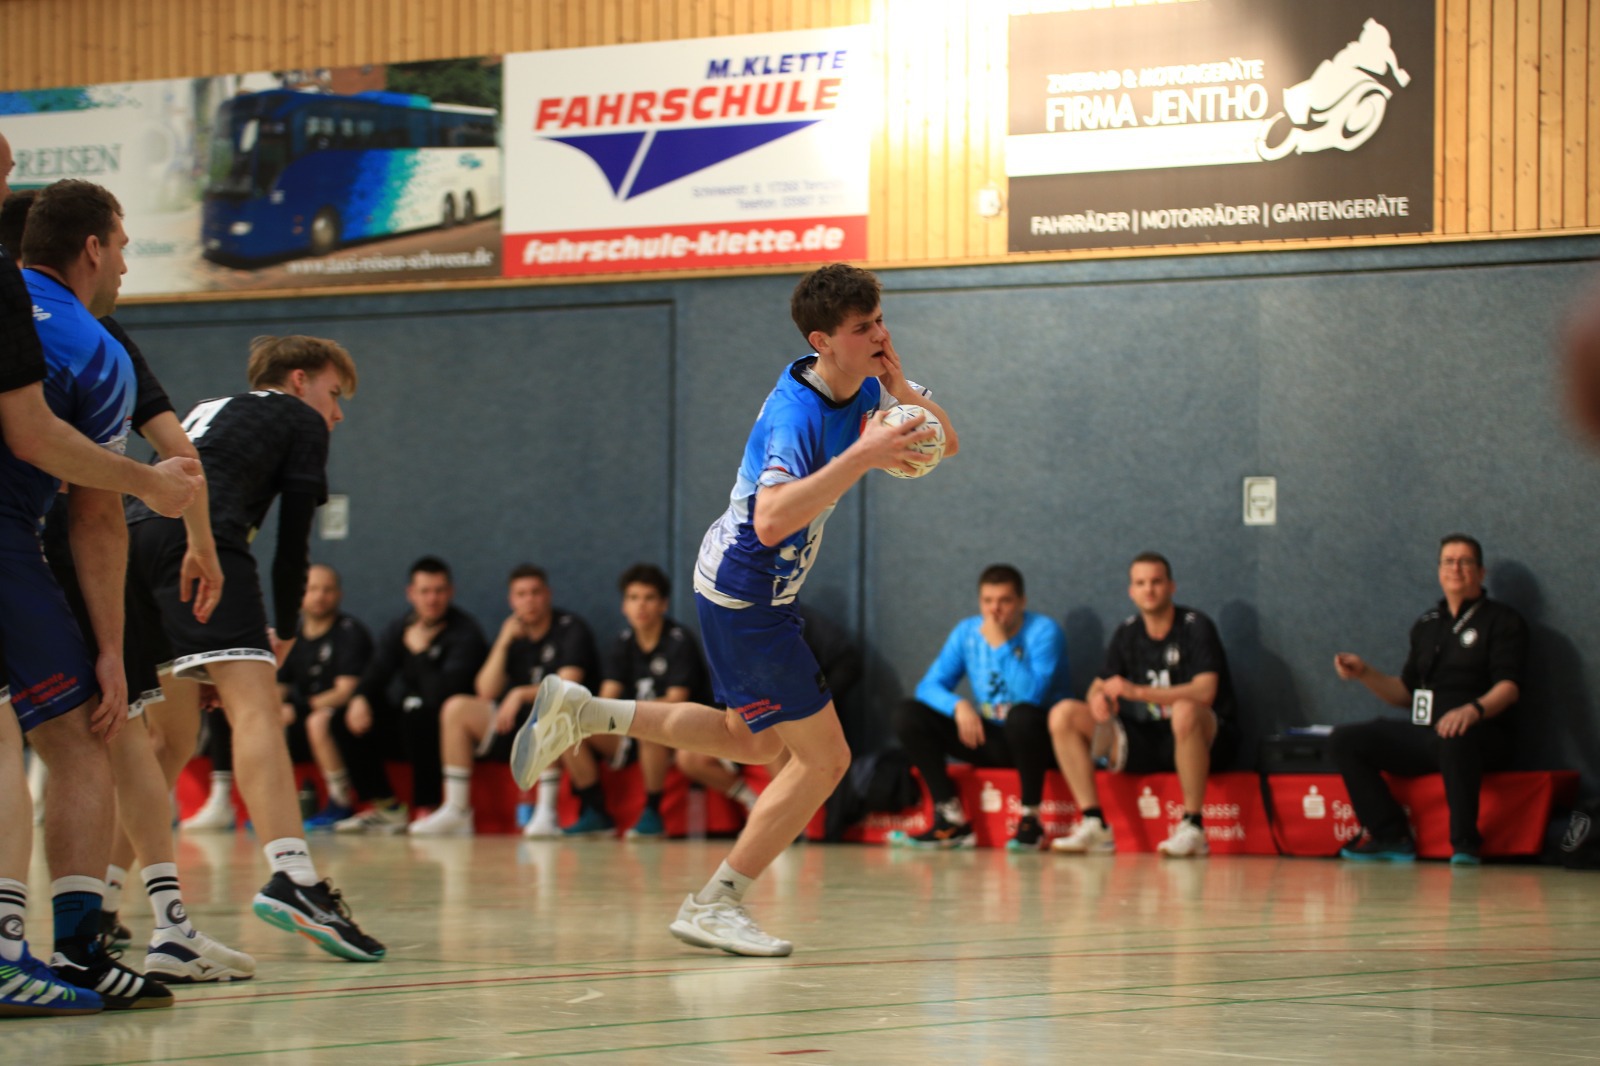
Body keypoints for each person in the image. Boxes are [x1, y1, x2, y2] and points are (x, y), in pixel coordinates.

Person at [510, 262, 957, 956]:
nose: (880, 335)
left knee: (752, 741)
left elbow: (946, 443)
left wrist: (900, 392)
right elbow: (772, 520)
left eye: (879, 320)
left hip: (745, 585)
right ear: (822, 340)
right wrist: (865, 455)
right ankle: (716, 903)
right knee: (825, 761)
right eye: (862, 328)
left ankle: (586, 713)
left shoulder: (870, 382)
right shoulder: (796, 413)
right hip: (747, 587)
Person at [124, 333, 385, 962]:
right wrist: (285, 634)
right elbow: (293, 544)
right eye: (334, 394)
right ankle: (295, 879)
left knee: (166, 742)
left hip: (131, 542)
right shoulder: (298, 418)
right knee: (257, 709)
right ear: (299, 380)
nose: (337, 413)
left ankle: (104, 906)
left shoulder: (211, 408)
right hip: (200, 542)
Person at [0, 178, 174, 1010]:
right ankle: (68, 949)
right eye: (125, 248)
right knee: (74, 740)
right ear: (94, 249)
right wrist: (111, 651)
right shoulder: (92, 347)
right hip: (6, 537)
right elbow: (97, 517)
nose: (127, 267)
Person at [1329, 534, 1527, 864]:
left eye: (1465, 562)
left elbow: (1509, 687)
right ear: (1439, 570)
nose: (1456, 568)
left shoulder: (1503, 620)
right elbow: (1405, 693)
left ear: (1481, 572)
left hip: (1482, 733)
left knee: (1454, 735)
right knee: (1346, 740)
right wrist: (1364, 672)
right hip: (1427, 732)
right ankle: (1390, 835)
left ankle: (1465, 844)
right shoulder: (1427, 625)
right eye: (1448, 561)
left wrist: (1472, 710)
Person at [1049, 552, 1238, 859]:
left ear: (1172, 586)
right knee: (1064, 714)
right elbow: (1099, 685)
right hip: (1150, 738)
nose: (1149, 589)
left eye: (1156, 582)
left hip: (1207, 738)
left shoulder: (1195, 626)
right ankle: (1094, 822)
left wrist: (1137, 692)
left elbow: (1205, 692)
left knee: (1185, 709)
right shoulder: (1128, 632)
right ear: (1131, 591)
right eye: (1140, 583)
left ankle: (1193, 827)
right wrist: (1098, 701)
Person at [406, 564, 592, 838]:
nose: (529, 600)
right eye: (521, 594)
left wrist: (519, 694)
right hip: (514, 723)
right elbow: (485, 690)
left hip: (561, 724)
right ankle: (457, 810)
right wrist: (504, 640)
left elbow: (568, 684)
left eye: (535, 592)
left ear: (548, 594)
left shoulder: (570, 628)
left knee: (551, 708)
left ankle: (546, 813)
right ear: (511, 600)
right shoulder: (513, 635)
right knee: (456, 708)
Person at [889, 564, 1067, 851]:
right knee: (908, 714)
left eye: (1005, 600)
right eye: (987, 601)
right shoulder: (968, 632)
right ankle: (950, 819)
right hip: (991, 739)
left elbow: (1030, 695)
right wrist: (958, 705)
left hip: (1037, 742)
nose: (994, 610)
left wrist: (1000, 644)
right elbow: (928, 686)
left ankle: (1030, 820)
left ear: (1022, 601)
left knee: (1021, 716)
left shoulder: (1044, 631)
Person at [186, 564, 373, 831]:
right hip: (299, 720)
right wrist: (266, 708)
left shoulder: (349, 632)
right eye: (312, 589)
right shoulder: (293, 635)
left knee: (316, 721)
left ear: (339, 594)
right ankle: (236, 801)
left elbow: (345, 691)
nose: (320, 596)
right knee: (249, 716)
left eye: (327, 590)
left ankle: (340, 801)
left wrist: (298, 709)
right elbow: (278, 687)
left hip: (339, 721)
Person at [333, 556, 487, 833]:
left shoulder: (465, 633)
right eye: (425, 591)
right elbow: (377, 670)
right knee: (343, 717)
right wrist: (359, 698)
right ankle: (387, 807)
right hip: (406, 730)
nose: (432, 599)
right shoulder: (401, 627)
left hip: (445, 732)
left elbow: (442, 696)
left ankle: (427, 807)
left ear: (450, 592)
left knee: (419, 713)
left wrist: (421, 653)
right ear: (411, 593)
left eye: (439, 591)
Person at [677, 603, 862, 824]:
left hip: (787, 718)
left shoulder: (798, 619)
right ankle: (753, 801)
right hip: (744, 719)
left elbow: (848, 662)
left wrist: (812, 703)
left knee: (772, 729)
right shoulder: (727, 626)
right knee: (689, 758)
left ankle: (783, 818)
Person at [574, 562, 710, 839]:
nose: (641, 606)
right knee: (573, 724)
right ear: (624, 605)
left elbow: (676, 700)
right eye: (633, 598)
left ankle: (652, 813)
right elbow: (607, 696)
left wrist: (631, 715)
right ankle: (594, 811)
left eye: (649, 598)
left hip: (679, 731)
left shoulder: (679, 641)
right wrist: (584, 712)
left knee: (650, 726)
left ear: (663, 604)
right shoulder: (622, 643)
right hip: (631, 727)